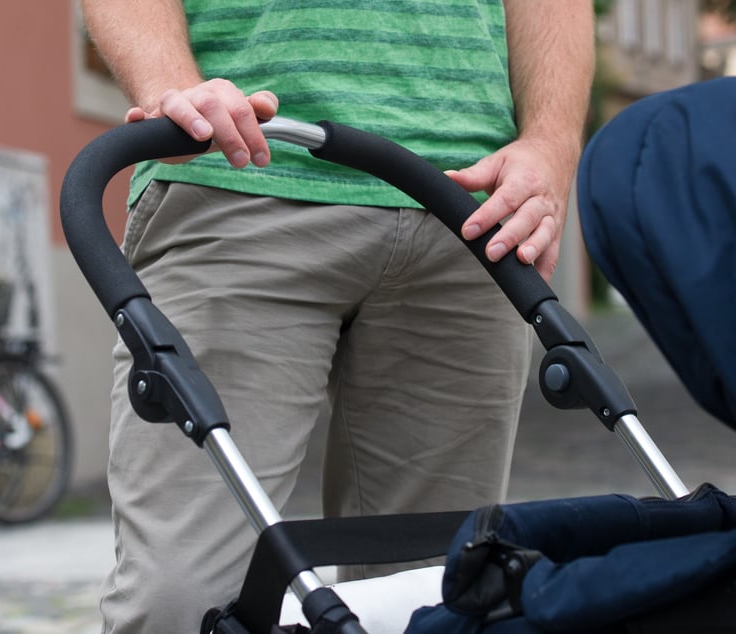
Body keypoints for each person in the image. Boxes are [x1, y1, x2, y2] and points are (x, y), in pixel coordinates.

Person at [81, 1, 595, 631]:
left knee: (434, 593)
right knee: (181, 601)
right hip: (238, 172)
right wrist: (169, 84)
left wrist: (551, 142)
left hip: (469, 209)